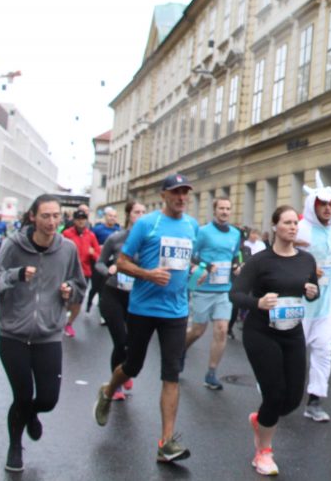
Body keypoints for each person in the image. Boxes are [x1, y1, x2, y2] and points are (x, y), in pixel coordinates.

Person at [93, 174, 199, 464]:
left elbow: (188, 260)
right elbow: (121, 262)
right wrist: (148, 274)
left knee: (171, 373)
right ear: (163, 195)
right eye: (176, 192)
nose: (181, 197)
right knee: (133, 365)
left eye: (185, 192)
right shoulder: (146, 224)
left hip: (176, 311)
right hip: (143, 309)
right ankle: (108, 391)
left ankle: (166, 443)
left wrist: (197, 271)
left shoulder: (192, 226)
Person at [0, 194, 86, 473]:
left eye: (56, 216)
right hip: (13, 334)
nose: (52, 222)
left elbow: (80, 285)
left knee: (48, 399)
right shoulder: (13, 246)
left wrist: (70, 291)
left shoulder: (67, 249)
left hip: (48, 334)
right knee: (23, 395)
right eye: (45, 216)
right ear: (33, 217)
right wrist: (15, 275)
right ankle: (15, 446)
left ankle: (32, 414)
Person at [230, 205, 319, 475]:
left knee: (292, 399)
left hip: (292, 331)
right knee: (274, 393)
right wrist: (258, 302)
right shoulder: (260, 261)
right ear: (275, 227)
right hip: (261, 333)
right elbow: (235, 294)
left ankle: (261, 420)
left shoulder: (306, 260)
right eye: (287, 222)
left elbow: (312, 290)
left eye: (295, 223)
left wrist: (312, 292)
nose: (293, 227)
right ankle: (264, 452)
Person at [296, 174, 331, 422]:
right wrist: (306, 270)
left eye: (330, 204)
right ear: (312, 206)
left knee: (323, 350)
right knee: (294, 352)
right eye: (322, 204)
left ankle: (315, 400)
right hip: (299, 303)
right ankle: (277, 389)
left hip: (325, 303)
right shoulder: (300, 229)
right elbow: (286, 254)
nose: (327, 208)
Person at [185, 196, 242, 390]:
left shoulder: (235, 233)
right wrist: (207, 266)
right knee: (198, 331)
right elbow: (190, 256)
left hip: (223, 290)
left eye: (228, 208)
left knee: (222, 329)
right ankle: (181, 351)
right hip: (203, 288)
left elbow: (234, 255)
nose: (225, 212)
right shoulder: (203, 232)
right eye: (221, 208)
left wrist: (236, 266)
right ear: (215, 210)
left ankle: (211, 373)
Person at [95, 200, 146, 401]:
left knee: (133, 342)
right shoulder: (116, 238)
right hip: (114, 294)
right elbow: (99, 263)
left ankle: (124, 372)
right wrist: (108, 270)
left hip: (136, 296)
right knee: (121, 341)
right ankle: (115, 385)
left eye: (143, 212)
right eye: (136, 212)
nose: (140, 216)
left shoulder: (149, 241)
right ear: (128, 215)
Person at [61, 210, 100, 336]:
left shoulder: (91, 235)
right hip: (68, 272)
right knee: (64, 298)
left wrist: (92, 253)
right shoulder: (67, 234)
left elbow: (98, 255)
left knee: (78, 301)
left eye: (83, 219)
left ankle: (69, 324)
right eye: (78, 219)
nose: (81, 221)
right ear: (74, 220)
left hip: (84, 273)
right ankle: (59, 320)